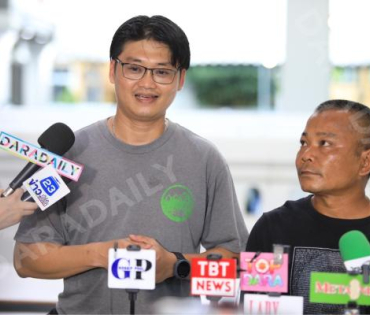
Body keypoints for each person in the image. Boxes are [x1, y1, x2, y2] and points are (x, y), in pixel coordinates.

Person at [13, 15, 248, 314]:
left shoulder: (204, 159)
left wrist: (175, 265)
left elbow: (235, 266)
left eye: (162, 72)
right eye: (134, 68)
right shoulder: (67, 155)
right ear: (113, 70)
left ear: (180, 79)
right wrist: (103, 254)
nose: (147, 83)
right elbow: (26, 259)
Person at [246, 99, 370, 314]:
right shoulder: (272, 227)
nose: (306, 156)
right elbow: (253, 308)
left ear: (365, 162)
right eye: (304, 143)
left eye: (325, 143)